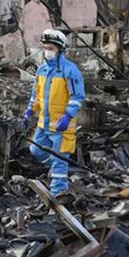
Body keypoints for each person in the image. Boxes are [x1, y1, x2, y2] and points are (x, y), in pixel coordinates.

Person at [23, 28, 85, 197]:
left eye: (51, 48)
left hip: (62, 127)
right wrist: (29, 112)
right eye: (45, 47)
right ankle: (57, 166)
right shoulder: (42, 70)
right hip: (44, 124)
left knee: (59, 163)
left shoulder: (70, 71)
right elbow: (36, 95)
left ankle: (58, 194)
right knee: (35, 151)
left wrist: (67, 116)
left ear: (60, 49)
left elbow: (77, 97)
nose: (47, 51)